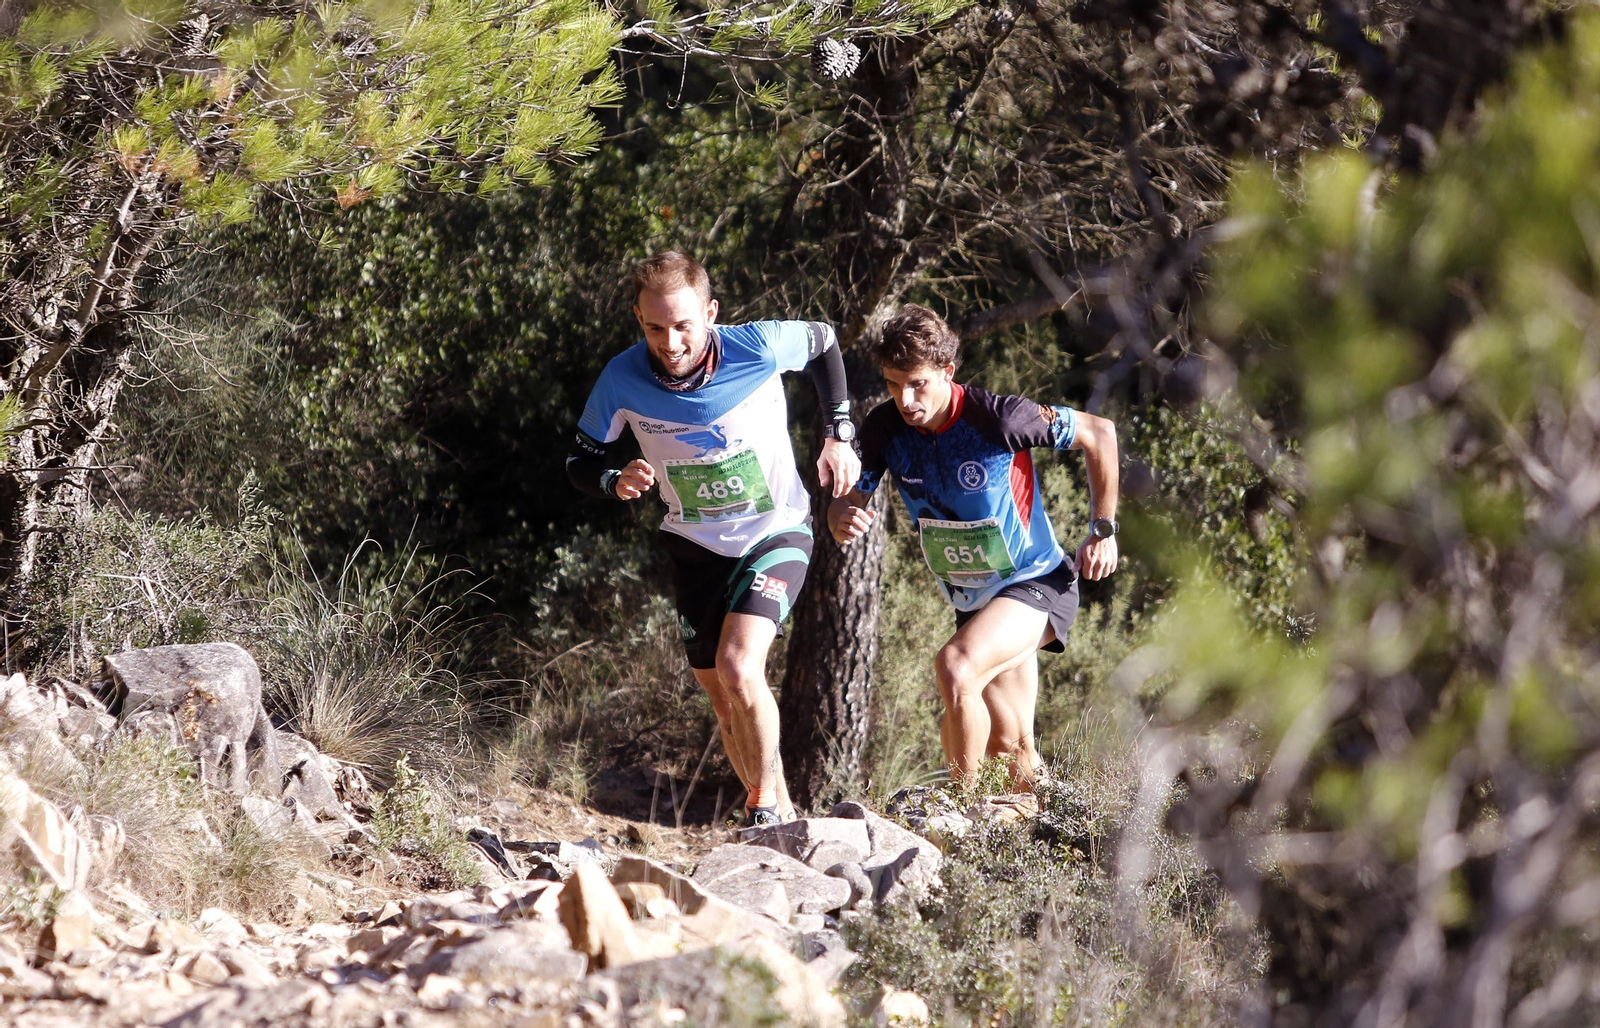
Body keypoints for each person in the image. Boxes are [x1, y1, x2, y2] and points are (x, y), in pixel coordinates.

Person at [565, 251, 860, 825]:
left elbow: (824, 343)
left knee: (739, 665)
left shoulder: (758, 346)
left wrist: (838, 433)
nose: (671, 343)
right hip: (695, 546)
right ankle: (783, 818)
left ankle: (763, 807)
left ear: (711, 313)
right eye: (655, 328)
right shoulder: (621, 377)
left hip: (775, 530)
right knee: (726, 705)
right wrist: (613, 480)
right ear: (638, 318)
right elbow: (580, 460)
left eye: (683, 326)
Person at [827, 304, 1119, 788]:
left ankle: (962, 809)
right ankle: (1050, 821)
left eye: (917, 383)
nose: (906, 400)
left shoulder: (999, 419)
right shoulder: (885, 429)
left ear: (948, 370)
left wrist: (1102, 529)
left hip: (1036, 580)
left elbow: (1099, 433)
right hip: (975, 599)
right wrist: (840, 518)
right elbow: (846, 500)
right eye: (893, 385)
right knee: (1010, 745)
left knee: (956, 667)